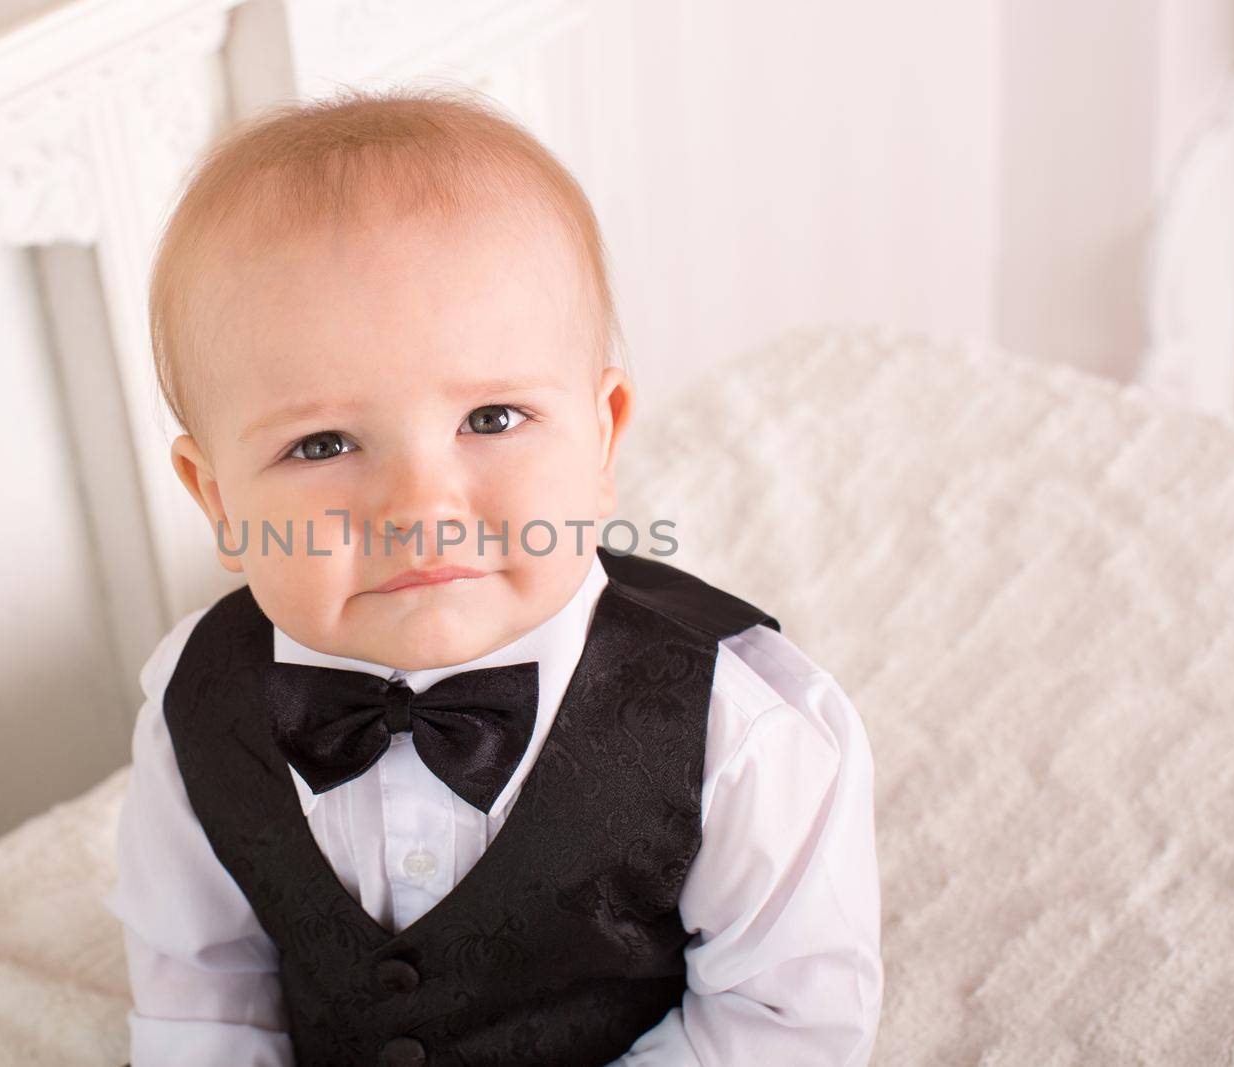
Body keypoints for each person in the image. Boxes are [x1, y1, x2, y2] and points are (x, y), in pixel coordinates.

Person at [104, 84, 882, 1066]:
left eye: (490, 418)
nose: (421, 506)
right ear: (215, 497)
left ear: (602, 436)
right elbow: (200, 983)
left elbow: (782, 1023)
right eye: (324, 442)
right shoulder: (195, 697)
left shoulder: (742, 730)